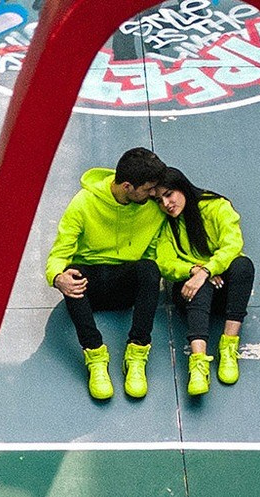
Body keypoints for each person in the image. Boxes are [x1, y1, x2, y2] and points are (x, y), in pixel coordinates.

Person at [45, 147, 167, 402]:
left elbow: (156, 252)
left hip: (126, 288)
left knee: (149, 268)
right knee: (71, 274)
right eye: (148, 189)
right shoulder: (83, 204)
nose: (153, 194)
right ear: (127, 187)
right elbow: (59, 253)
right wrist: (57, 277)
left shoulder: (153, 208)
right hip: (90, 287)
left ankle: (136, 353)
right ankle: (95, 355)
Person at [152, 166, 255, 397]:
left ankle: (228, 346)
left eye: (169, 194)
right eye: (159, 200)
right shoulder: (165, 224)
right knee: (200, 286)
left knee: (243, 265)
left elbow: (232, 245)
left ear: (182, 188)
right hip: (189, 293)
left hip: (224, 289)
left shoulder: (217, 207)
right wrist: (195, 271)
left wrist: (207, 270)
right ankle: (198, 362)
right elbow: (165, 262)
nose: (166, 204)